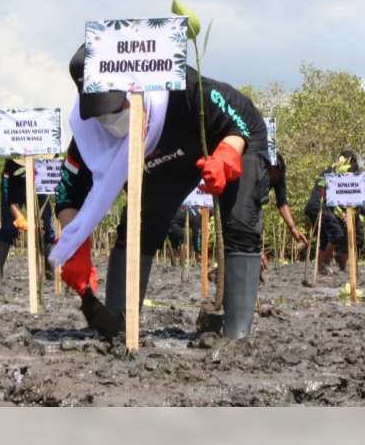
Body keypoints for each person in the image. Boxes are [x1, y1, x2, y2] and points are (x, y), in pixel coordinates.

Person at [52, 44, 269, 339]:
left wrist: (227, 154)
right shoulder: (89, 134)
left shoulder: (184, 88)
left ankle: (237, 336)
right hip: (162, 167)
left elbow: (239, 124)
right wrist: (72, 245)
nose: (109, 119)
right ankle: (119, 324)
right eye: (100, 113)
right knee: (139, 229)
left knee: (240, 223)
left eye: (115, 107)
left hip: (226, 139)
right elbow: (69, 192)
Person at [303, 149, 365, 279]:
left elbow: (334, 199)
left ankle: (320, 269)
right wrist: (344, 214)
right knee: (338, 234)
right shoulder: (335, 173)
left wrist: (345, 213)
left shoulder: (329, 171)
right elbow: (338, 197)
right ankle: (324, 262)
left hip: (312, 207)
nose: (350, 172)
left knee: (324, 239)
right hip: (320, 207)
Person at [0, 158, 57, 280]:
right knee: (8, 228)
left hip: (41, 171)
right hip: (14, 174)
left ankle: (50, 269)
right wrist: (19, 217)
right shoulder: (12, 165)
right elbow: (9, 200)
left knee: (47, 225)